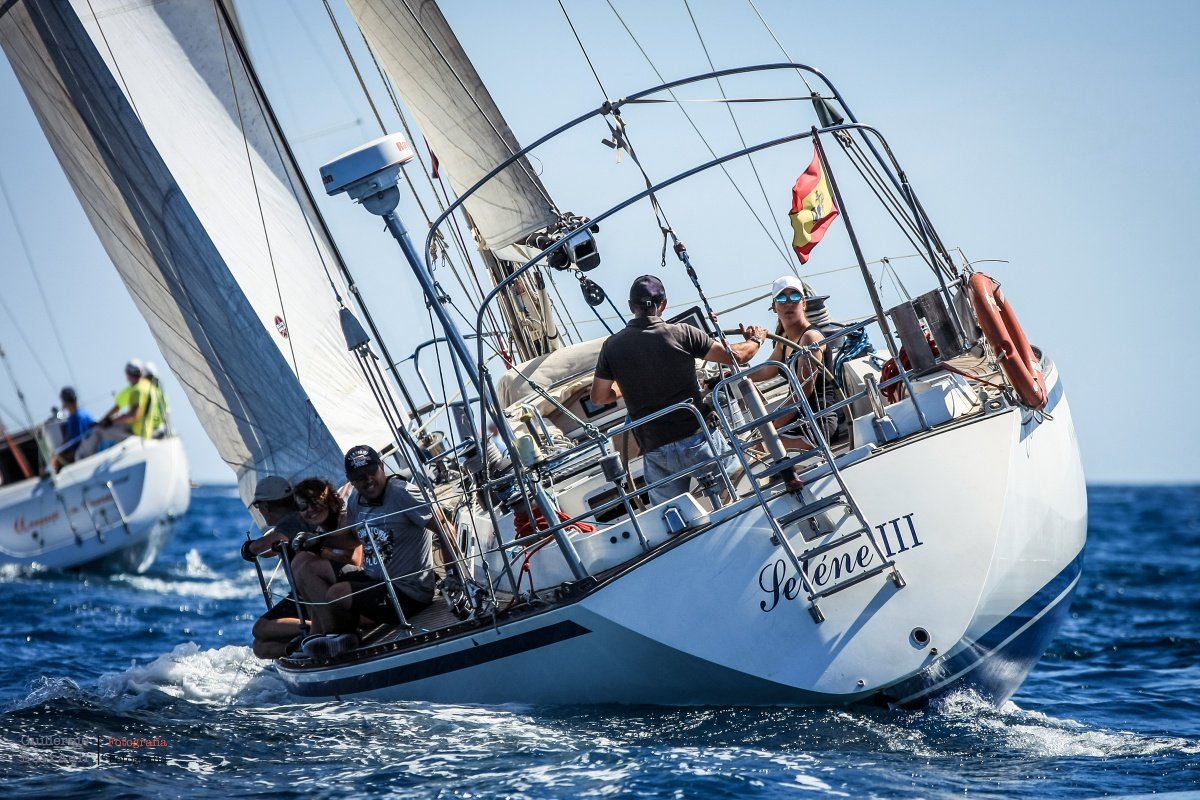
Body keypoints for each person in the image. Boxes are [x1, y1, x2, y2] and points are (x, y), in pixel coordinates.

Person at [589, 274, 770, 505]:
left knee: (670, 516)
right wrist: (756, 339)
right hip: (698, 441)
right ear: (663, 304)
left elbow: (599, 396)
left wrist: (630, 381)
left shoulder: (612, 347)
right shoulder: (682, 333)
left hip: (656, 450)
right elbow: (738, 357)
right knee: (744, 488)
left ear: (630, 306)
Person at [302, 446, 440, 659]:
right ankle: (327, 634)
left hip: (407, 590)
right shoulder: (356, 500)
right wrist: (317, 540)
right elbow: (354, 539)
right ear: (350, 480)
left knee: (336, 594)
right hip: (375, 581)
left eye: (371, 472)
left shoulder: (403, 493)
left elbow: (444, 527)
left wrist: (455, 577)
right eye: (359, 477)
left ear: (382, 467)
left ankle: (342, 639)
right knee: (308, 566)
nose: (368, 480)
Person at [752, 276, 845, 448]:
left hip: (819, 423)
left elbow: (804, 390)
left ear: (804, 304)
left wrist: (773, 426)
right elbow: (766, 371)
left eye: (794, 297)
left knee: (759, 446)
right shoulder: (783, 341)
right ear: (774, 307)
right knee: (755, 445)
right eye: (781, 298)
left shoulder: (810, 337)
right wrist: (733, 376)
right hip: (800, 420)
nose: (788, 303)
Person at [241, 475, 307, 659]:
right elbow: (274, 547)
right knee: (260, 648)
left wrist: (249, 548)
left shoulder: (291, 521)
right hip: (308, 595)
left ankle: (315, 629)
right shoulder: (299, 519)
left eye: (258, 506)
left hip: (308, 596)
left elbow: (274, 540)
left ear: (266, 506)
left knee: (260, 629)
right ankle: (300, 647)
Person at [74, 359, 162, 457]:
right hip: (147, 431)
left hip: (137, 432)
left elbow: (133, 416)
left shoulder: (137, 390)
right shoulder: (149, 387)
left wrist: (110, 421)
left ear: (129, 374)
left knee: (98, 431)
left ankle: (80, 458)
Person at [54, 386, 94, 466]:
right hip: (82, 447)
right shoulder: (81, 413)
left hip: (84, 451)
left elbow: (79, 440)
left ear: (65, 402)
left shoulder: (78, 417)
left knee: (57, 460)